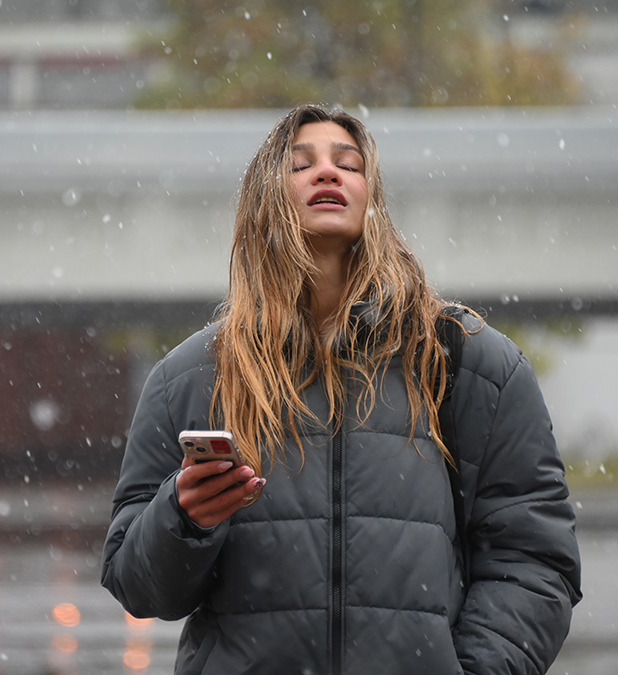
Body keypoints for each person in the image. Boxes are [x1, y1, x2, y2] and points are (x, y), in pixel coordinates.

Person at [100, 104, 581, 674]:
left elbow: (532, 558)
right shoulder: (192, 377)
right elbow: (137, 585)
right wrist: (184, 517)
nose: (327, 173)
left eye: (348, 164)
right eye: (301, 165)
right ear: (264, 200)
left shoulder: (467, 362)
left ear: (373, 200)